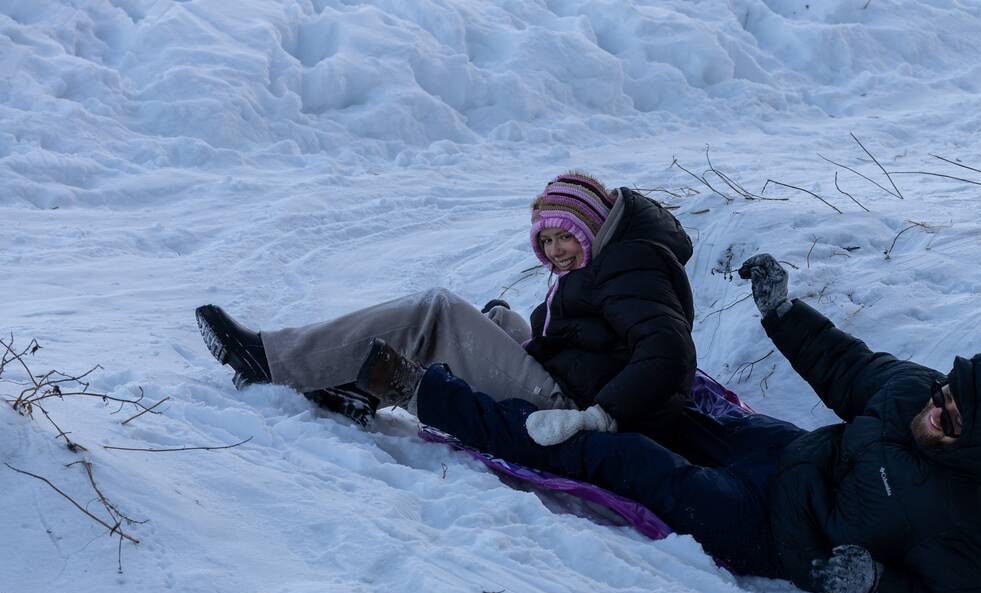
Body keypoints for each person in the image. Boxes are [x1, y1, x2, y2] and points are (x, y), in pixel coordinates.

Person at [358, 253, 981, 593]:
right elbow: (844, 364)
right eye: (943, 396)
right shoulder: (913, 394)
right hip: (777, 451)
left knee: (619, 458)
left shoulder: (964, 516)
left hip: (766, 530)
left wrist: (876, 587)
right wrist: (782, 310)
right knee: (651, 405)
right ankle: (519, 354)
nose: (936, 412)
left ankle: (425, 393)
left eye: (954, 419)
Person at [195, 172, 710, 455]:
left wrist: (597, 417)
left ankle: (269, 359)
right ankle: (352, 384)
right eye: (546, 240)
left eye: (565, 237)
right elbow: (599, 338)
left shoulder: (629, 265)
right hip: (574, 378)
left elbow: (668, 353)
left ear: (593, 228)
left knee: (435, 313)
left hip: (571, 405)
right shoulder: (615, 258)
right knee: (497, 318)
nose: (555, 252)